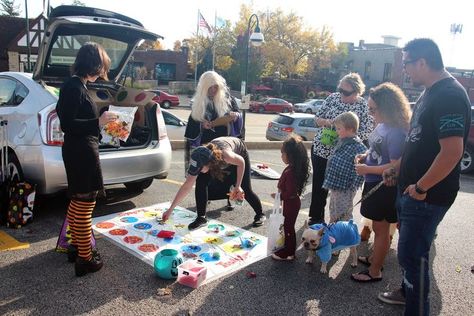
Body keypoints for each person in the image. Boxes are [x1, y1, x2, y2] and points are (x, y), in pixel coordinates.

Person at [377, 39, 471, 316]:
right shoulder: (430, 93)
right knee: (409, 254)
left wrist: (420, 187)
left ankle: (416, 308)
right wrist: (399, 169)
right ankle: (407, 293)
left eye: (406, 63)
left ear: (422, 62)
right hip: (411, 191)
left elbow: (452, 152)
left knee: (413, 257)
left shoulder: (449, 95)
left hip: (426, 196)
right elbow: (418, 142)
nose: (405, 70)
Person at [56, 42, 117, 277]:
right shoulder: (74, 86)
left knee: (77, 202)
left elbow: (76, 123)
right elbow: (67, 124)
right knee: (85, 205)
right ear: (94, 65)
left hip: (80, 149)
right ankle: (85, 259)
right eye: (102, 66)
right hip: (81, 152)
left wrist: (105, 128)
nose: (103, 72)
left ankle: (76, 247)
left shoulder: (76, 85)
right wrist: (98, 122)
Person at [350, 82, 411, 283]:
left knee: (381, 229)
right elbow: (376, 149)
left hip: (384, 187)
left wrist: (366, 168)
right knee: (378, 228)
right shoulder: (383, 125)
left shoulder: (396, 132)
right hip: (374, 183)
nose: (370, 113)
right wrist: (364, 155)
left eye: (373, 109)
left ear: (387, 108)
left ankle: (375, 271)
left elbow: (394, 167)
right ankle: (375, 259)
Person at [309, 73, 374, 225]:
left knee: (341, 191)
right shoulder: (332, 98)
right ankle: (316, 218)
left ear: (357, 92)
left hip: (345, 155)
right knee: (319, 186)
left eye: (346, 92)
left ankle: (340, 222)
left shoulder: (362, 105)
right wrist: (327, 122)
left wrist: (347, 135)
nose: (341, 94)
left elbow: (367, 129)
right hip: (322, 150)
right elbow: (317, 119)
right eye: (340, 90)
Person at [162, 136, 265, 229]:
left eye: (200, 169)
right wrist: (170, 209)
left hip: (239, 154)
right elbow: (187, 186)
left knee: (245, 188)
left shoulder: (226, 156)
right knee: (201, 183)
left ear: (209, 164)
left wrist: (238, 186)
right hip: (214, 158)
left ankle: (260, 214)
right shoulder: (201, 157)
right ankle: (201, 218)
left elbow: (241, 162)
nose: (199, 171)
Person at [184, 71, 242, 209]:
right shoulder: (198, 102)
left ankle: (229, 198)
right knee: (204, 175)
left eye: (216, 87)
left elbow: (238, 116)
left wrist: (235, 116)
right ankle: (203, 203)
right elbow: (191, 126)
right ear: (204, 88)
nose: (214, 90)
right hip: (206, 145)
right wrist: (201, 124)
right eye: (210, 87)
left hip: (224, 143)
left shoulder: (228, 99)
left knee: (227, 173)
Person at [322, 111, 367, 223]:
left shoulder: (358, 146)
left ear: (351, 129)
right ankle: (333, 231)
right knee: (333, 209)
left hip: (346, 187)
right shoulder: (342, 140)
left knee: (343, 214)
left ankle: (343, 233)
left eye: (339, 129)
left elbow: (362, 166)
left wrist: (354, 186)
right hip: (335, 184)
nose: (336, 132)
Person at [271, 135, 310, 261]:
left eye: (283, 154)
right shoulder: (293, 168)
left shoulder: (291, 172)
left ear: (291, 155)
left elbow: (290, 192)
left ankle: (289, 252)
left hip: (291, 203)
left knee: (288, 227)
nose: (281, 156)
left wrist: (278, 196)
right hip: (291, 203)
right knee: (288, 226)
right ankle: (288, 248)